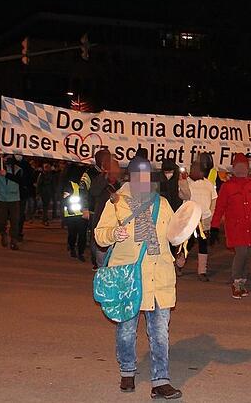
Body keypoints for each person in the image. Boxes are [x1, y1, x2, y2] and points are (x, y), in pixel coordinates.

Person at [94, 156, 183, 399]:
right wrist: (114, 232)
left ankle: (160, 380)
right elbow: (99, 236)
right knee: (126, 330)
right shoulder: (117, 203)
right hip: (129, 276)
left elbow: (174, 233)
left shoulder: (162, 203)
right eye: (138, 177)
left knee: (160, 333)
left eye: (147, 177)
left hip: (160, 275)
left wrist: (182, 243)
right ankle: (127, 371)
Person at [211, 153, 251, 299]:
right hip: (236, 228)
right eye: (237, 166)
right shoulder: (227, 187)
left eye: (243, 166)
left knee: (248, 255)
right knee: (241, 253)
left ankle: (243, 280)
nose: (240, 169)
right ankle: (237, 281)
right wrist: (214, 227)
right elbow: (219, 208)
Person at [179, 160, 217, 281]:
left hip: (204, 218)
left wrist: (211, 215)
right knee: (188, 243)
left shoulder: (208, 184)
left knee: (203, 244)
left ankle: (202, 271)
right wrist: (183, 181)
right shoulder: (186, 182)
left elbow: (214, 200)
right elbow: (184, 196)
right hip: (190, 217)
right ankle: (179, 264)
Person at [89, 150, 121, 270]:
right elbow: (93, 192)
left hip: (115, 216)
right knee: (99, 240)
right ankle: (100, 266)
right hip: (100, 214)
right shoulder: (100, 178)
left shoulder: (118, 183)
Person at [62, 164, 91, 262]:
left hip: (82, 214)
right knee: (72, 234)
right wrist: (69, 208)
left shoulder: (84, 185)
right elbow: (65, 199)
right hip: (72, 214)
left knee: (82, 235)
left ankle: (80, 252)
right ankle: (72, 248)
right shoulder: (70, 185)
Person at [0, 154, 22, 250]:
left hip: (14, 198)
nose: (7, 158)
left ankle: (14, 240)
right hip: (0, 198)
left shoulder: (17, 168)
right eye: (5, 156)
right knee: (0, 220)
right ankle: (3, 233)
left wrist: (7, 175)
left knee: (15, 221)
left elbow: (20, 180)